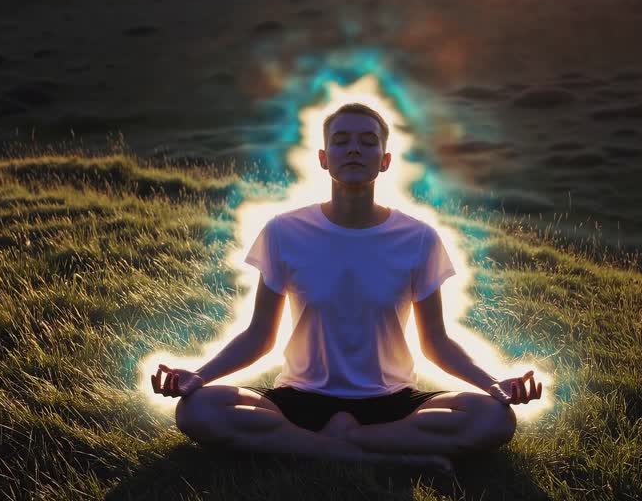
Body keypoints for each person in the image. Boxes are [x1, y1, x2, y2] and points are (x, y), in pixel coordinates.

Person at [151, 102, 542, 469]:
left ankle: (318, 448)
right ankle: (375, 457)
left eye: (368, 142)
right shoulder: (284, 232)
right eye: (341, 141)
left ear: (385, 160)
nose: (354, 149)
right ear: (323, 158)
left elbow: (435, 343)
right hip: (300, 398)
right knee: (197, 409)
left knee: (493, 418)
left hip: (391, 403)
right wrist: (199, 376)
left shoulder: (418, 238)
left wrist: (494, 384)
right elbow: (259, 336)